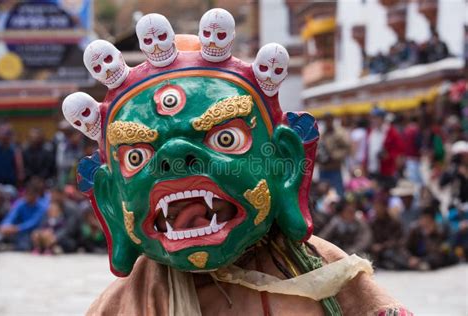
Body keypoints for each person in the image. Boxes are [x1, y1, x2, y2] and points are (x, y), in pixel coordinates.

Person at [63, 11, 411, 315]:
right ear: (110, 201)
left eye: (224, 139)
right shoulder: (125, 306)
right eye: (136, 157)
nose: (173, 159)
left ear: (284, 166)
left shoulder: (324, 272)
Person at [0, 182, 47, 250]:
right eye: (27, 194)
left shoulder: (41, 207)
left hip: (32, 232)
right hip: (17, 231)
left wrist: (17, 228)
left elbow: (33, 223)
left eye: (31, 194)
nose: (28, 196)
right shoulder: (21, 203)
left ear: (36, 195)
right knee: (0, 233)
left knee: (25, 244)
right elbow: (11, 216)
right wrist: (4, 225)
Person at [369, 196, 410, 270]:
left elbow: (398, 239)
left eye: (379, 206)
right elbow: (370, 237)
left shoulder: (394, 222)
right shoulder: (373, 223)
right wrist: (373, 245)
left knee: (390, 254)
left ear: (385, 207)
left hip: (392, 249)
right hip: (377, 251)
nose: (377, 209)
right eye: (375, 206)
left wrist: (382, 246)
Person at [366, 107, 403, 188]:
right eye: (372, 118)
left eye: (375, 118)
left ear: (382, 118)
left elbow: (399, 150)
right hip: (373, 169)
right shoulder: (371, 131)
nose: (373, 120)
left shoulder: (391, 132)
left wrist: (388, 155)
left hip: (387, 171)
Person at [317, 113, 351, 196]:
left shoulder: (340, 133)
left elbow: (347, 148)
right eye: (326, 120)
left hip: (334, 168)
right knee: (323, 194)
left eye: (329, 119)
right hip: (323, 168)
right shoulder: (322, 134)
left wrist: (334, 156)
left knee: (338, 193)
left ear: (332, 120)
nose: (327, 122)